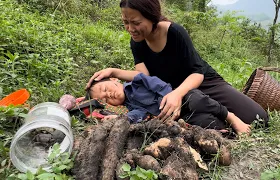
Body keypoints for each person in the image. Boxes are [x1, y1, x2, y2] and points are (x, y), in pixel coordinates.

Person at [86, 0, 268, 134]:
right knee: (207, 122)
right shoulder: (137, 42)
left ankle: (226, 110)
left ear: (151, 17)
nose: (130, 28)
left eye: (136, 22)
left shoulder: (174, 32)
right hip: (171, 94)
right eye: (126, 22)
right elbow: (143, 76)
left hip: (203, 83)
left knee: (259, 118)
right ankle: (220, 119)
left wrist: (177, 93)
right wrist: (113, 71)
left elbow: (197, 73)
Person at [87, 73, 251, 135]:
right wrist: (121, 119)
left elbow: (159, 85)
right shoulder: (130, 107)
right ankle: (230, 130)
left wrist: (170, 100)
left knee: (196, 99)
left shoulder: (138, 81)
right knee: (206, 126)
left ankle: (232, 117)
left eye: (105, 88)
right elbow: (138, 115)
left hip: (180, 99)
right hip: (180, 117)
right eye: (106, 99)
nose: (109, 95)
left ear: (115, 80)